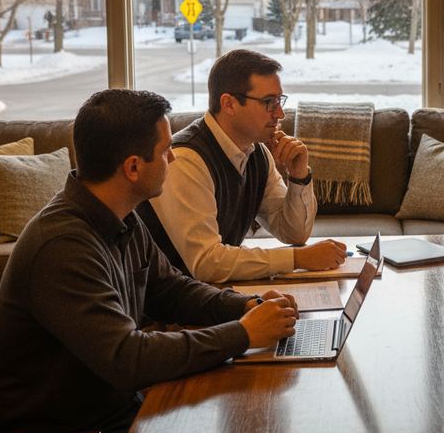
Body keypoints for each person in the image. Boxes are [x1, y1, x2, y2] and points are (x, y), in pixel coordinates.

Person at [0, 89, 301, 433]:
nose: (174, 157)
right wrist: (244, 334)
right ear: (133, 167)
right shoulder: (63, 245)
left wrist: (247, 306)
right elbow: (128, 360)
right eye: (165, 150)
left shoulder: (120, 217)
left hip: (105, 420)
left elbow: (172, 289)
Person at [138, 48, 347, 282]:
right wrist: (297, 258)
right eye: (269, 102)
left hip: (211, 293)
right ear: (228, 104)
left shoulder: (257, 153)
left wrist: (299, 176)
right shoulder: (185, 160)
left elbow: (293, 233)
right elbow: (207, 263)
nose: (280, 113)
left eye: (279, 101)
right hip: (168, 299)